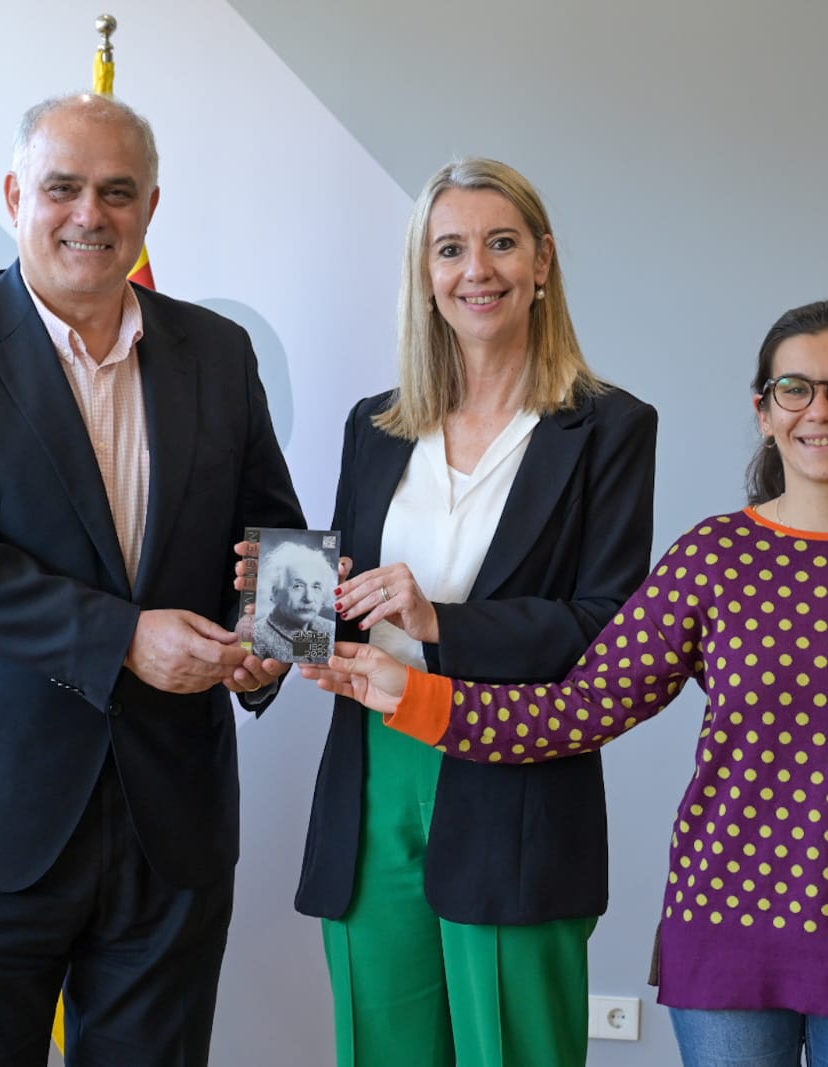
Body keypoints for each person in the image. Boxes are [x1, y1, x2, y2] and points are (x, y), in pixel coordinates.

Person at [306, 300, 828, 1067]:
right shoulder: (715, 555)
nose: (820, 410)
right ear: (764, 411)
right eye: (795, 389)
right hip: (728, 924)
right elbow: (581, 708)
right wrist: (411, 693)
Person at [0, 92, 304, 1065]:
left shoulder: (217, 353)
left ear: (149, 208)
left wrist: (278, 643)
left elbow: (279, 534)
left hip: (169, 818)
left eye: (117, 191)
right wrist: (125, 636)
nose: (89, 214)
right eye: (63, 187)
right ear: (18, 194)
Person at [289, 158, 659, 1067]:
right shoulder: (373, 425)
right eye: (449, 248)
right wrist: (280, 611)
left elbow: (605, 625)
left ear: (543, 263)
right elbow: (346, 593)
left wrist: (440, 620)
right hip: (370, 769)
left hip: (517, 773)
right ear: (425, 273)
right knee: (384, 1050)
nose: (476, 270)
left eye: (501, 244)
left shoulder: (609, 426)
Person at [249, 541, 337, 662]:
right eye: (298, 586)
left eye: (316, 587)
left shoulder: (330, 629)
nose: (309, 598)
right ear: (275, 593)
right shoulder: (255, 639)